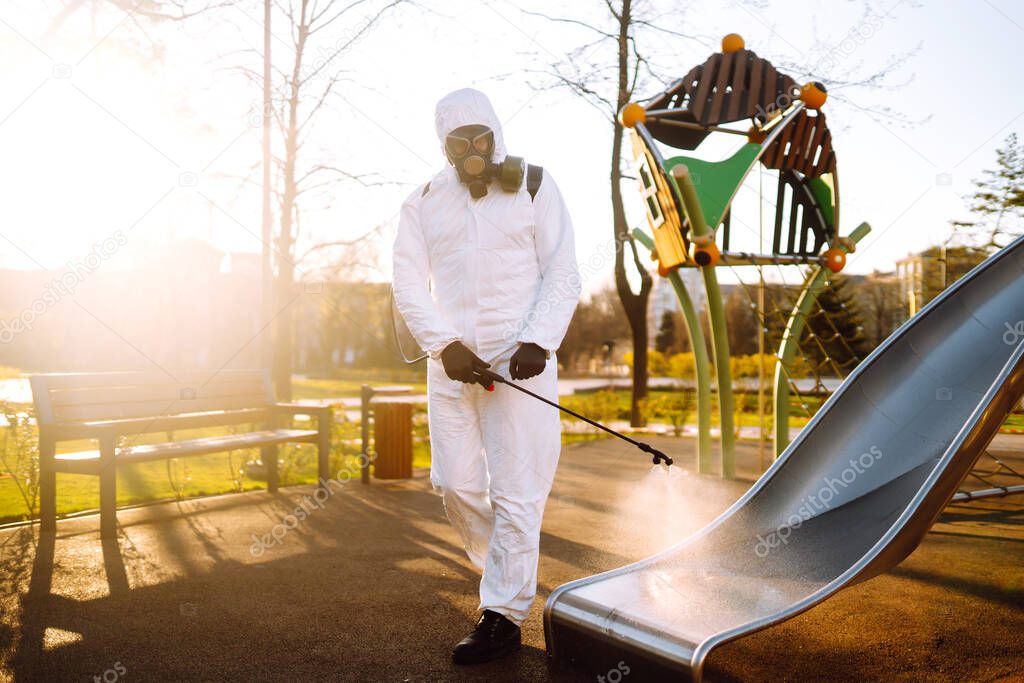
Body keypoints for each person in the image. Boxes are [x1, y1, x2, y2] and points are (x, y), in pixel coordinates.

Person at [392, 87, 580, 664]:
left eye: (481, 137)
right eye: (459, 141)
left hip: (520, 363)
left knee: (519, 493)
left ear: (496, 134)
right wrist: (442, 344)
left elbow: (564, 273)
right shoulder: (422, 201)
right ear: (444, 147)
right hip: (451, 366)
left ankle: (501, 613)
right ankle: (504, 568)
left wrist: (538, 340)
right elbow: (405, 282)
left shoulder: (535, 185)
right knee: (455, 484)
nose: (473, 148)